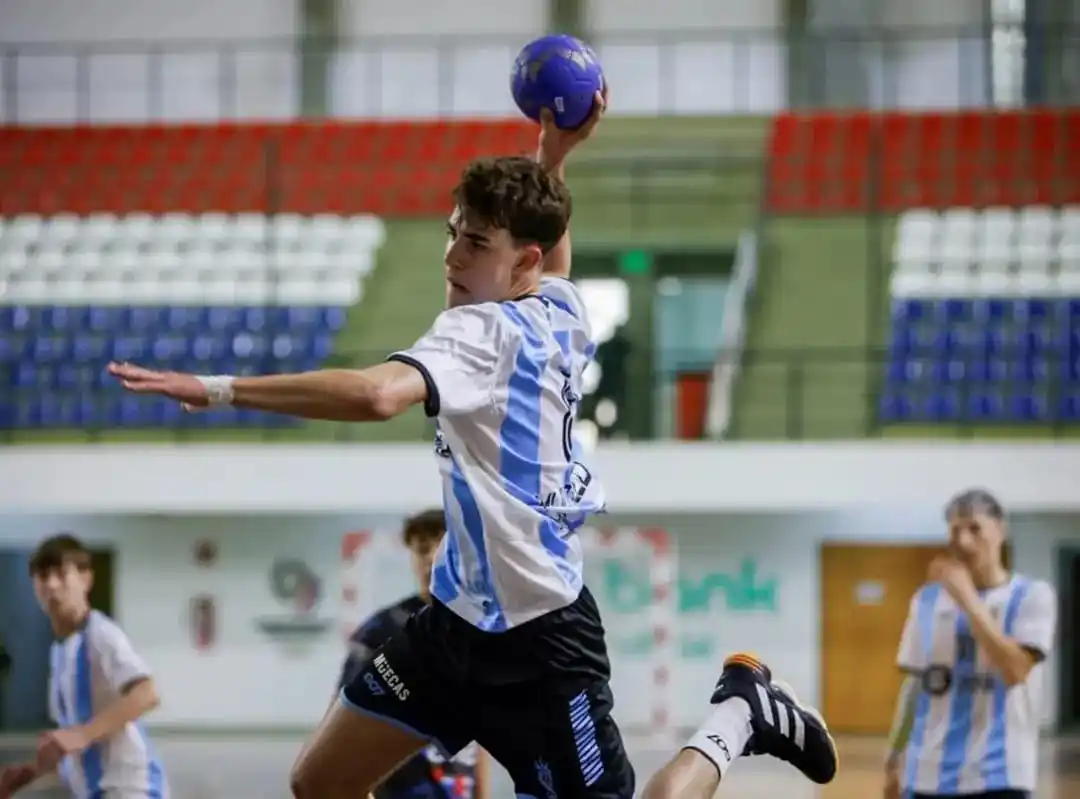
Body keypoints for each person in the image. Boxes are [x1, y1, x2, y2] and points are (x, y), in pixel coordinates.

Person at [106, 89, 836, 799]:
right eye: (453, 231)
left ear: (520, 261)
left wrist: (221, 388)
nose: (452, 255)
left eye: (476, 242)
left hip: (544, 646)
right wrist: (551, 156)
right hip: (451, 627)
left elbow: (376, 394)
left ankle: (740, 711)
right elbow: (550, 249)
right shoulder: (560, 303)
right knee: (319, 780)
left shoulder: (475, 331)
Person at [883, 488, 1057, 799]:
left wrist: (967, 599)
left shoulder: (1032, 596)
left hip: (999, 776)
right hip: (927, 776)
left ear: (1000, 530)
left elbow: (1016, 669)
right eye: (955, 530)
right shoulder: (926, 600)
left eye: (975, 529)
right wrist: (894, 757)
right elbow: (914, 686)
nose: (963, 541)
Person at [0, 534, 168, 799]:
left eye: (61, 574)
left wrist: (82, 734)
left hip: (129, 790)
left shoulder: (101, 634)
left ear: (85, 579)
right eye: (43, 577)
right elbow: (73, 739)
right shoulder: (60, 650)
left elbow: (147, 693)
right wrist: (30, 773)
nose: (52, 585)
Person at [339, 509, 490, 799]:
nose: (431, 558)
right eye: (422, 549)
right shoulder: (380, 631)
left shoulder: (478, 629)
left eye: (442, 548)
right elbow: (344, 733)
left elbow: (478, 732)